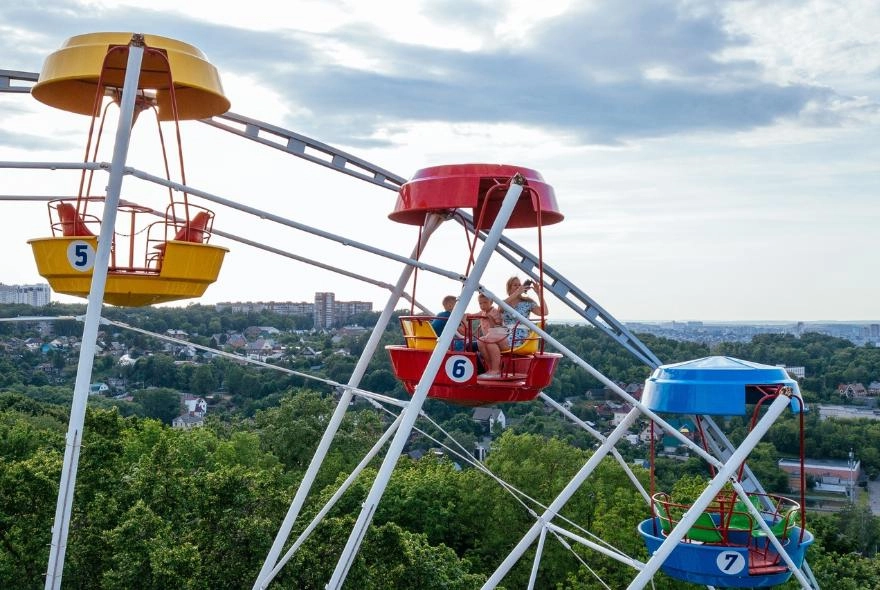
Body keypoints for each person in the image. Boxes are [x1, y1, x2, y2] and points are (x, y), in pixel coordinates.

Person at [502, 276, 547, 350]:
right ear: (509, 288)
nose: (518, 287)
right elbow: (500, 308)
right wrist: (517, 293)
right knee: (486, 343)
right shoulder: (505, 302)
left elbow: (544, 312)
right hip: (505, 334)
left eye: (519, 285)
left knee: (493, 344)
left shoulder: (527, 302)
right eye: (515, 285)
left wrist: (539, 293)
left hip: (520, 335)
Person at [475, 293, 504, 378]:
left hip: (497, 337)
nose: (482, 305)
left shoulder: (495, 312)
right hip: (487, 337)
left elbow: (497, 328)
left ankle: (496, 369)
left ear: (491, 302)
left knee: (486, 340)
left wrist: (490, 318)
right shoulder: (482, 312)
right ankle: (490, 368)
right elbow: (472, 315)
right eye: (480, 303)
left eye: (485, 302)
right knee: (479, 341)